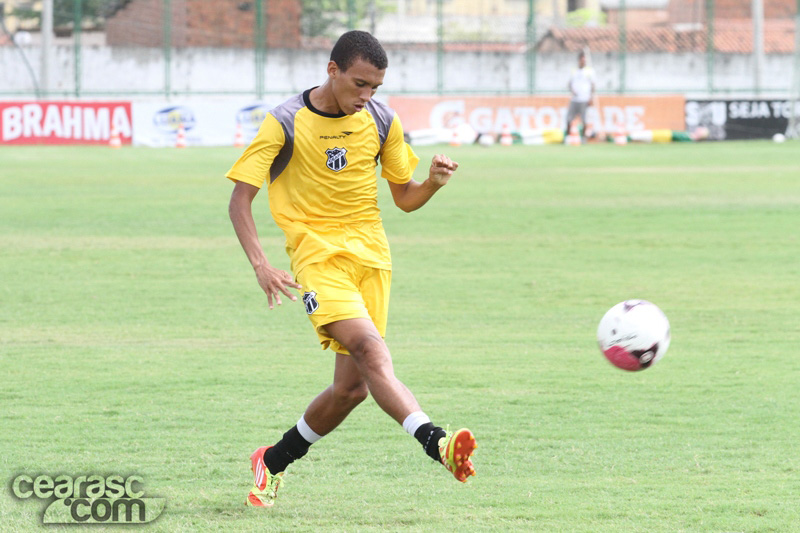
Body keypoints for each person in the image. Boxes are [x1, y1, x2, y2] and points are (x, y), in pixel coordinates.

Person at [225, 30, 477, 508]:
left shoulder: (382, 119)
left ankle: (272, 461)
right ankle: (437, 442)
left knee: (352, 389)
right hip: (317, 260)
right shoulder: (285, 122)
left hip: (372, 260)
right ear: (332, 69)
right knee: (368, 347)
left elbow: (404, 197)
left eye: (375, 88)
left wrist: (434, 184)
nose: (366, 97)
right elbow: (240, 200)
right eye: (359, 84)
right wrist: (261, 264)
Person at [565, 51, 595, 142]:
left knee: (584, 119)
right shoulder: (574, 70)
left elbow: (593, 85)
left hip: (584, 99)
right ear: (579, 60)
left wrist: (591, 97)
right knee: (569, 119)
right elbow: (569, 83)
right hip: (574, 99)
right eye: (582, 60)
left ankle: (583, 138)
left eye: (584, 60)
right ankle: (568, 137)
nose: (583, 62)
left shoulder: (590, 71)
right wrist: (572, 90)